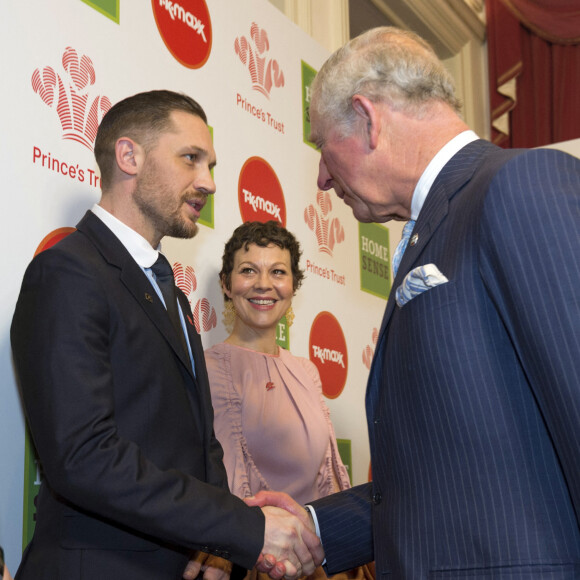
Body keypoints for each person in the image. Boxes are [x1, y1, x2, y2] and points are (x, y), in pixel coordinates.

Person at [247, 26, 580, 578]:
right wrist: (315, 527)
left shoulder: (520, 187)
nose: (323, 177)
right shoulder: (436, 227)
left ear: (368, 119)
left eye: (323, 146)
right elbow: (449, 480)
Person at [10, 90, 322, 580]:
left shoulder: (170, 292)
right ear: (129, 156)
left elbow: (203, 446)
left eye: (212, 165)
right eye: (191, 159)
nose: (210, 183)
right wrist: (241, 528)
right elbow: (83, 456)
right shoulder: (68, 272)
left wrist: (218, 546)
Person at [205, 220, 374, 580]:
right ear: (226, 284)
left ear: (293, 285)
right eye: (248, 270)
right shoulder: (208, 368)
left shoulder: (307, 371)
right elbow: (226, 485)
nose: (264, 284)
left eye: (278, 272)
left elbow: (330, 477)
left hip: (323, 563)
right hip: (257, 562)